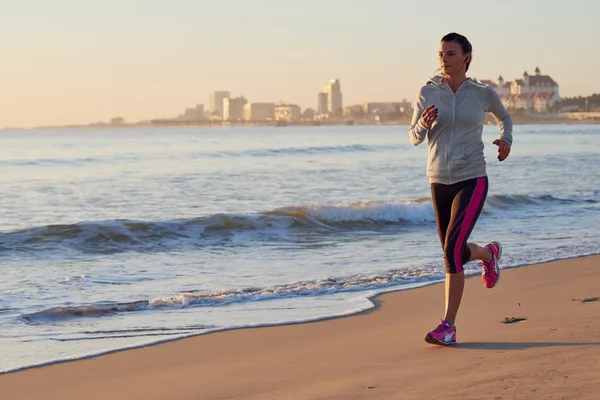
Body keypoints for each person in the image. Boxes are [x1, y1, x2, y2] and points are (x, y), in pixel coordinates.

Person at [408, 32, 513, 346]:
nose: (443, 59)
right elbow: (413, 136)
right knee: (452, 251)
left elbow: (504, 117)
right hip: (438, 180)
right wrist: (423, 125)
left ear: (466, 57)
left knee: (452, 251)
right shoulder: (428, 91)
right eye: (441, 54)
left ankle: (448, 327)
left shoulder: (482, 93)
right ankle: (488, 254)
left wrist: (506, 139)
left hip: (472, 178)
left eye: (450, 54)